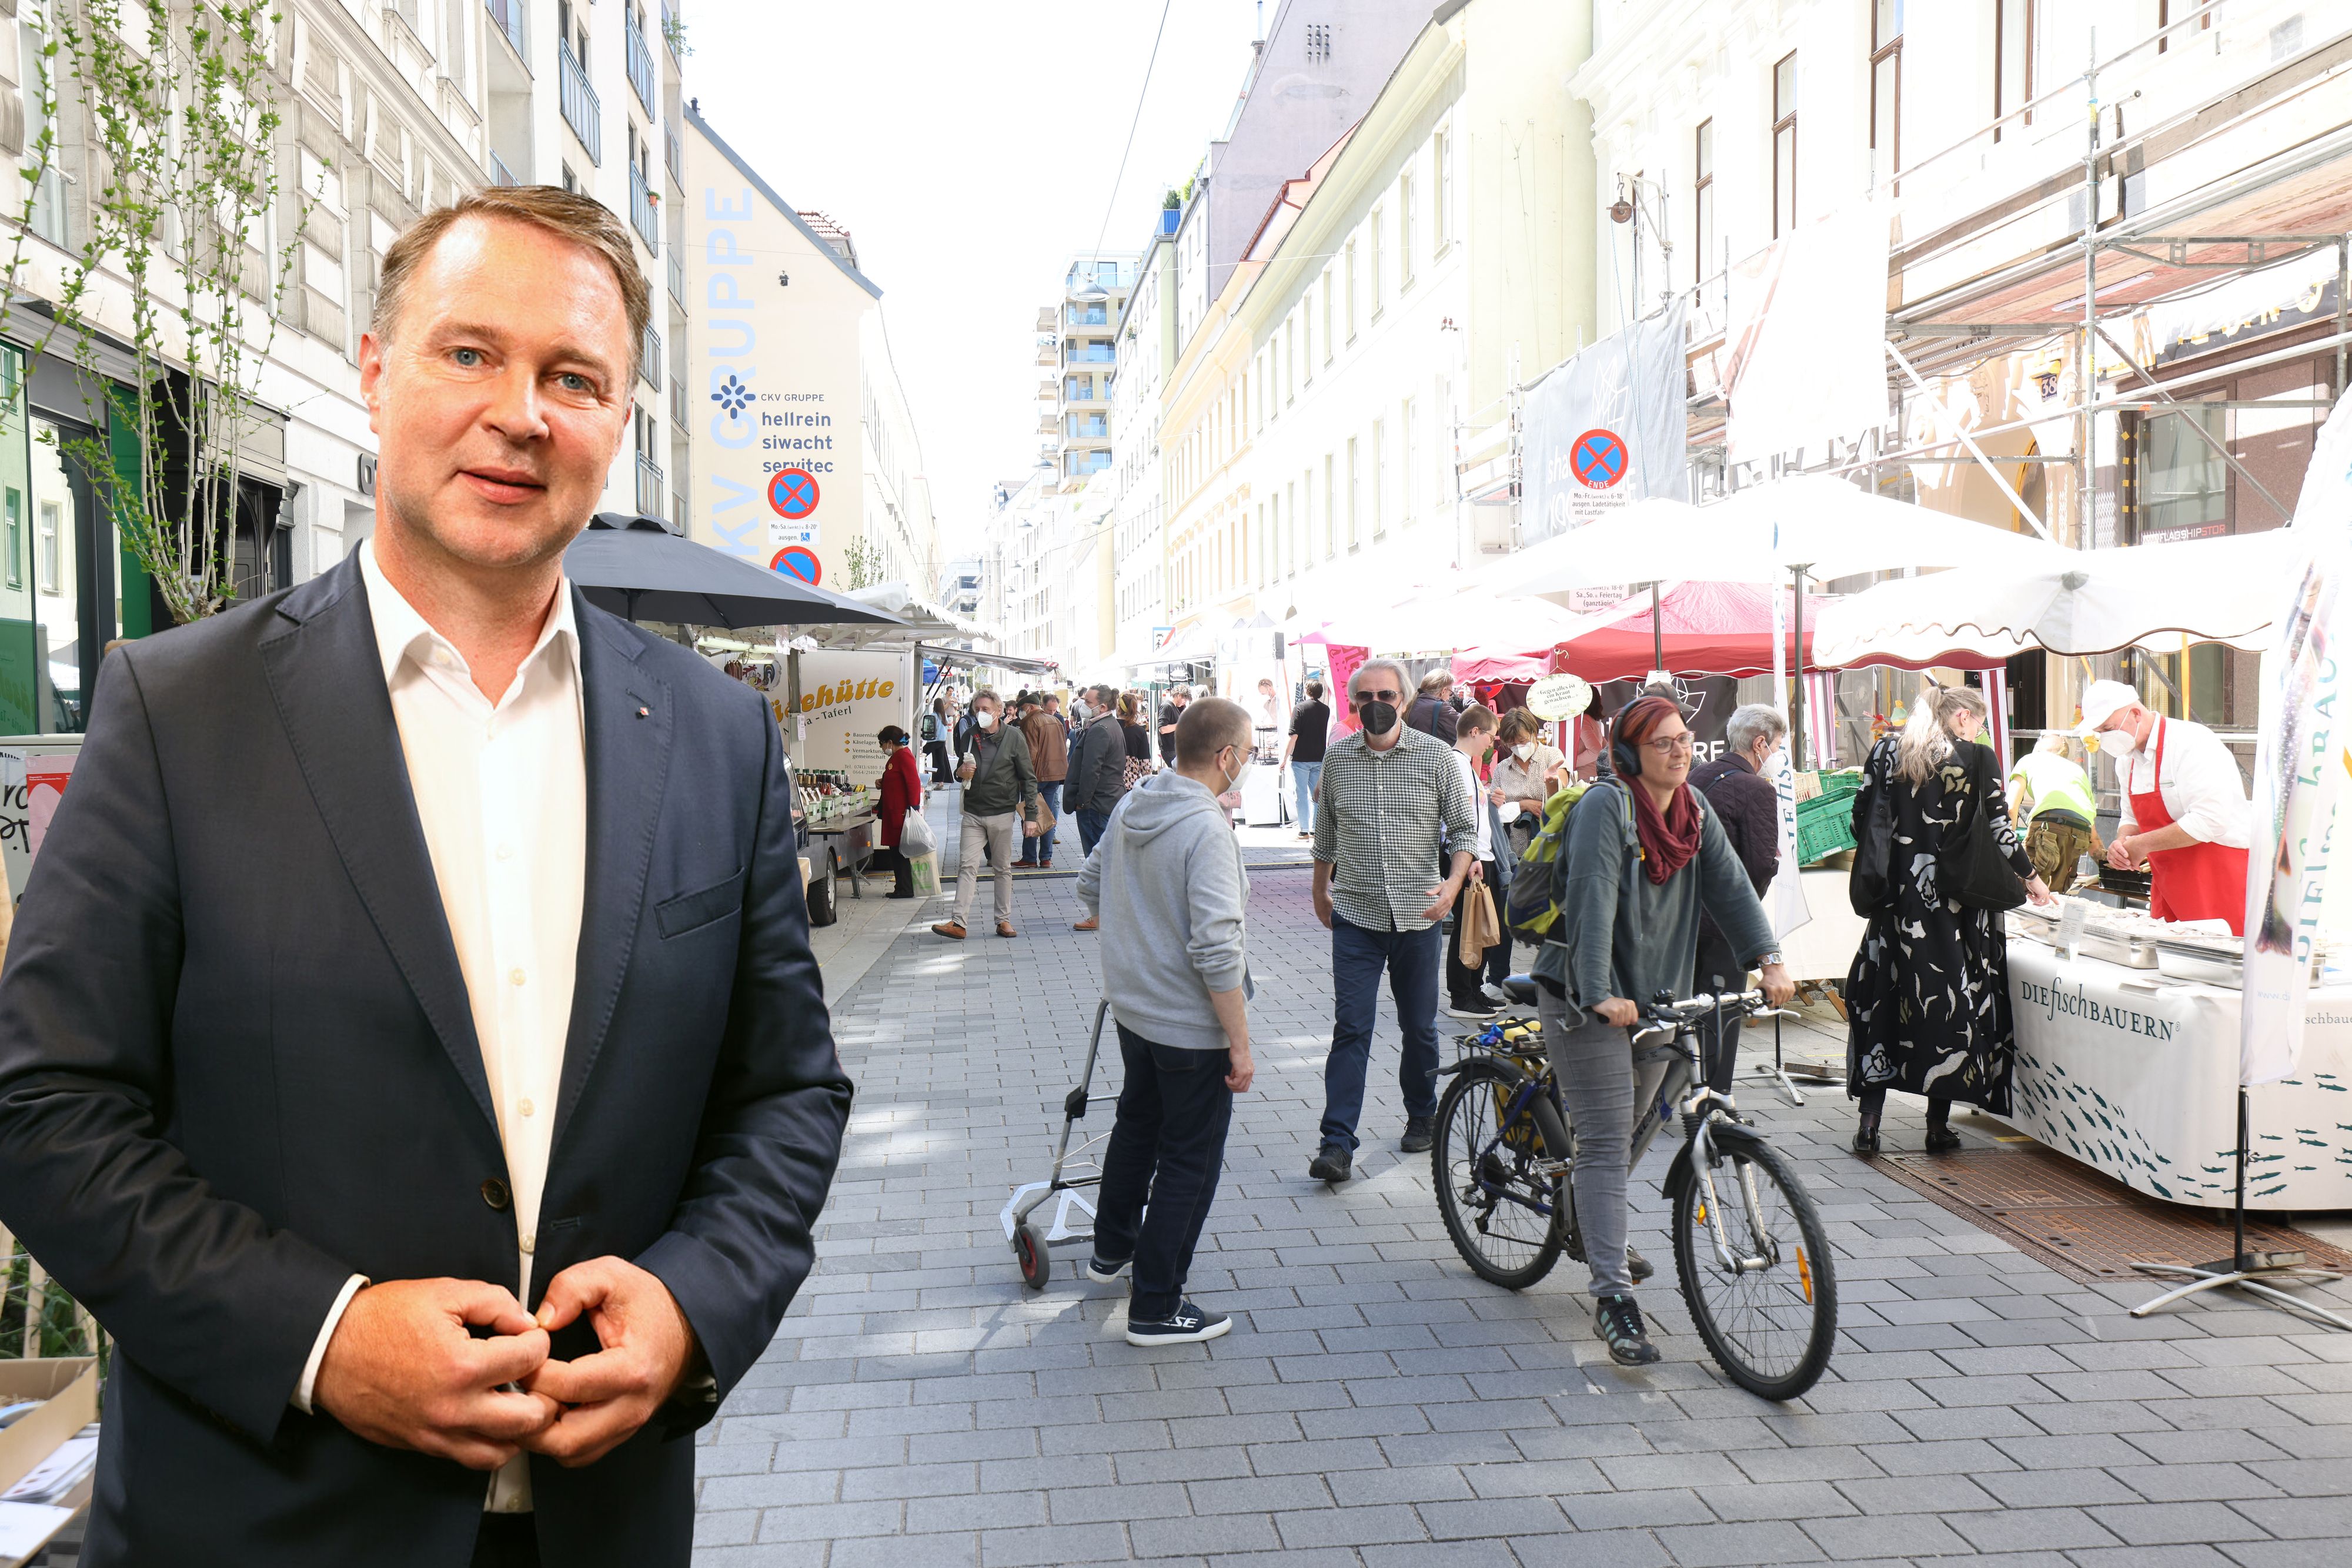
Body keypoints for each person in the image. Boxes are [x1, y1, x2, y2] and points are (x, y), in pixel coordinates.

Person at [0, 187, 853, 1567]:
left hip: (604, 1522)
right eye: (471, 353)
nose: (520, 410)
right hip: (264, 1523)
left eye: (572, 376)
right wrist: (322, 1337)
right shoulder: (177, 712)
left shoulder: (715, 735)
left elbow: (787, 1092)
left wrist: (695, 1301)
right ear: (378, 372)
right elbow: (44, 1106)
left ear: (616, 423)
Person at [1535, 694, 1793, 1366]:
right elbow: (1591, 903)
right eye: (1663, 743)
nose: (1680, 751)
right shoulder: (1605, 806)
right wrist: (1599, 995)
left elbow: (1732, 887)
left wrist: (1768, 960)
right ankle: (1613, 1299)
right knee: (1602, 1142)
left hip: (1657, 995)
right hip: (1585, 994)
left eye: (1684, 740)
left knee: (1629, 1131)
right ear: (1628, 754)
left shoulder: (1692, 809)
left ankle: (1592, 1212)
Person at [1074, 698, 1259, 1345]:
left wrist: (1140, 940)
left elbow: (1090, 883)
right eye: (1251, 752)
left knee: (1137, 1126)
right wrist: (1238, 1043)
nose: (1251, 763)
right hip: (1187, 1024)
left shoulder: (1136, 803)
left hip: (1135, 1010)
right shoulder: (1206, 829)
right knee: (1189, 1159)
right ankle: (1155, 1305)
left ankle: (1111, 1251)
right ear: (1226, 757)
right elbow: (1217, 948)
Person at [1848, 684, 2056, 1156]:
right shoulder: (1977, 758)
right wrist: (2033, 880)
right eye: (1978, 721)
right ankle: (1937, 1127)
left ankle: (1869, 1126)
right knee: (1951, 1007)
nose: (1980, 729)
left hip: (1895, 906)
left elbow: (1861, 820)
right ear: (1962, 717)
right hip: (1956, 910)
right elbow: (2001, 829)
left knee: (1885, 1001)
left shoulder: (1885, 751)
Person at [1307, 658, 1476, 1182]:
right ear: (1354, 704)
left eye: (1386, 695)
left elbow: (1465, 833)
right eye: (1365, 697)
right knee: (1351, 1028)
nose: (1375, 704)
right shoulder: (1338, 760)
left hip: (1419, 913)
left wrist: (1452, 886)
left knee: (1419, 1027)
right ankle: (1337, 1143)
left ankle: (1422, 1113)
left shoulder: (1439, 758)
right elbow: (1327, 833)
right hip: (1356, 913)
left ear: (1403, 700)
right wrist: (1320, 889)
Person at [2080, 678, 2252, 931]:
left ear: (2136, 714)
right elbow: (2130, 817)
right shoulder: (2125, 762)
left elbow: (2210, 820)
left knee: (2220, 958)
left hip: (2217, 877)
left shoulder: (2191, 742)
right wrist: (2122, 843)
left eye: (2108, 728)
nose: (2105, 738)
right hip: (2167, 882)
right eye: (2099, 732)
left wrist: (2141, 844)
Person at [1687, 703, 1788, 1095]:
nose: (1777, 755)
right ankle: (1716, 1096)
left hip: (1683, 912)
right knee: (1722, 1009)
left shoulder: (1698, 774)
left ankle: (1683, 1087)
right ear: (1760, 743)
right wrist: (1745, 909)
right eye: (1777, 746)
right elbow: (1762, 862)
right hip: (1723, 920)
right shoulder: (1756, 787)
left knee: (1688, 1005)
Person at [934, 688, 1040, 940]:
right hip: (973, 812)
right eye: (977, 709)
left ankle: (1003, 920)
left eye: (985, 709)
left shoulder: (1014, 737)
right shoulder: (969, 735)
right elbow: (962, 770)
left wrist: (1032, 816)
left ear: (999, 711)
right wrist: (962, 772)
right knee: (967, 867)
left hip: (1002, 812)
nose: (980, 713)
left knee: (1002, 868)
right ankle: (958, 923)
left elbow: (1029, 778)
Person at [1485, 709, 1568, 996]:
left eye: (1522, 738)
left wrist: (1550, 784)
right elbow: (1493, 809)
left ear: (1533, 734)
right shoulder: (1502, 768)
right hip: (1511, 852)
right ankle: (1497, 979)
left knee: (1551, 916)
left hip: (1546, 851)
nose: (1518, 745)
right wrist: (1519, 804)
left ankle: (1551, 979)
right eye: (1511, 741)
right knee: (1505, 912)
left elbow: (1561, 800)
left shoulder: (1551, 756)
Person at [1443, 706, 1504, 1021]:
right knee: (1467, 927)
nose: (1491, 744)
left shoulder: (1465, 765)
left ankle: (1473, 989)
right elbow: (1457, 818)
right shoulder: (1455, 764)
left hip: (1477, 855)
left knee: (1476, 926)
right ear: (1475, 732)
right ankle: (1461, 995)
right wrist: (1470, 858)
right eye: (1490, 736)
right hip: (1468, 856)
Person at [2007, 730, 2102, 894]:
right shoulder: (2077, 770)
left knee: (2026, 890)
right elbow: (2092, 834)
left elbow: (2010, 808)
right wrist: (2110, 869)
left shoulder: (2030, 759)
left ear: (2037, 748)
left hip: (2048, 826)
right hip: (2081, 832)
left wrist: (2005, 843)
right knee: (2055, 895)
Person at [1067, 684, 1130, 929]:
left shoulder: (1100, 730)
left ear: (1103, 707)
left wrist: (1083, 801)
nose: (1084, 706)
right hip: (1108, 800)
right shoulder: (1110, 726)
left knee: (1096, 862)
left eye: (1089, 702)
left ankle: (1099, 916)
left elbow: (1090, 770)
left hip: (1096, 803)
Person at [1016, 688, 1070, 870]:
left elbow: (1029, 754)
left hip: (1036, 776)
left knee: (1031, 814)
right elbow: (1063, 747)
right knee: (1047, 816)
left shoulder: (1030, 722)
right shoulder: (1055, 721)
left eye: (1023, 708)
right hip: (1055, 774)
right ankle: (1046, 858)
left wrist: (1023, 776)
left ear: (1030, 708)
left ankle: (1030, 857)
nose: (1020, 713)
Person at [872, 725, 924, 900]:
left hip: (901, 814)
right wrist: (883, 781)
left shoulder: (904, 757)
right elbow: (897, 780)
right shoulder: (897, 757)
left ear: (890, 742)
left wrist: (913, 809)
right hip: (894, 812)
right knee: (896, 851)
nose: (882, 748)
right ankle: (901, 886)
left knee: (900, 852)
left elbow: (914, 784)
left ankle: (905, 888)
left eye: (882, 744)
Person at [1281, 678, 1331, 841]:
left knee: (1301, 794)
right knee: (1316, 795)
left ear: (1307, 691)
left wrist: (1285, 758)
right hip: (1319, 757)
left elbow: (1294, 736)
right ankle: (1315, 829)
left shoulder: (1299, 708)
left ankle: (1303, 831)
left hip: (1301, 758)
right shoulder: (1326, 710)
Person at [1406, 669, 1461, 744]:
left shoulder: (1413, 703)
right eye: (1450, 694)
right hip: (1433, 755)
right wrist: (1469, 700)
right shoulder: (1441, 708)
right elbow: (1472, 728)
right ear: (1444, 691)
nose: (1449, 698)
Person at [1120, 691, 1154, 775]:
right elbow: (1145, 765)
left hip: (1111, 781)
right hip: (1132, 780)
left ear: (1118, 708)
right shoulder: (1140, 731)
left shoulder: (1110, 728)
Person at [924, 697, 955, 784]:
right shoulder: (944, 716)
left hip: (934, 740)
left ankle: (924, 774)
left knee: (921, 755)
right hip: (942, 741)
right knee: (941, 761)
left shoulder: (933, 716)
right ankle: (941, 781)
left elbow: (932, 729)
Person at [1158, 685, 1190, 766]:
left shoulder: (1174, 707)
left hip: (1174, 749)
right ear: (1179, 696)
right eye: (1185, 700)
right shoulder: (1167, 707)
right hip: (1169, 750)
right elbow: (1162, 729)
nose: (1185, 702)